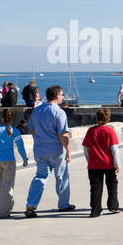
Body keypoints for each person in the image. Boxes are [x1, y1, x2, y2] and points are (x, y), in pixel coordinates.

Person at [24, 85, 76, 217]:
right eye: (62, 94)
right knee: (62, 177)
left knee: (40, 177)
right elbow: (63, 134)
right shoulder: (59, 112)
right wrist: (68, 150)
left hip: (40, 150)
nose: (62, 97)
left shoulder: (37, 111)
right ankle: (63, 205)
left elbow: (31, 129)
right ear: (57, 96)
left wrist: (38, 140)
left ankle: (31, 204)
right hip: (57, 150)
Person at [0, 107, 29, 217]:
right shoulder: (15, 131)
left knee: (1, 185)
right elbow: (20, 147)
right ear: (11, 118)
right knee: (7, 186)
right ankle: (2, 212)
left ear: (2, 118)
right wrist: (25, 159)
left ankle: (3, 206)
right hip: (9, 160)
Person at [82, 107, 121, 216]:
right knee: (112, 185)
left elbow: (86, 148)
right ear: (108, 118)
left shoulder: (91, 131)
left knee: (95, 187)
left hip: (94, 164)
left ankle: (95, 210)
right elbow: (114, 150)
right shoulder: (110, 131)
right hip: (108, 164)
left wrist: (89, 160)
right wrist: (117, 164)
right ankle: (113, 206)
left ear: (97, 118)